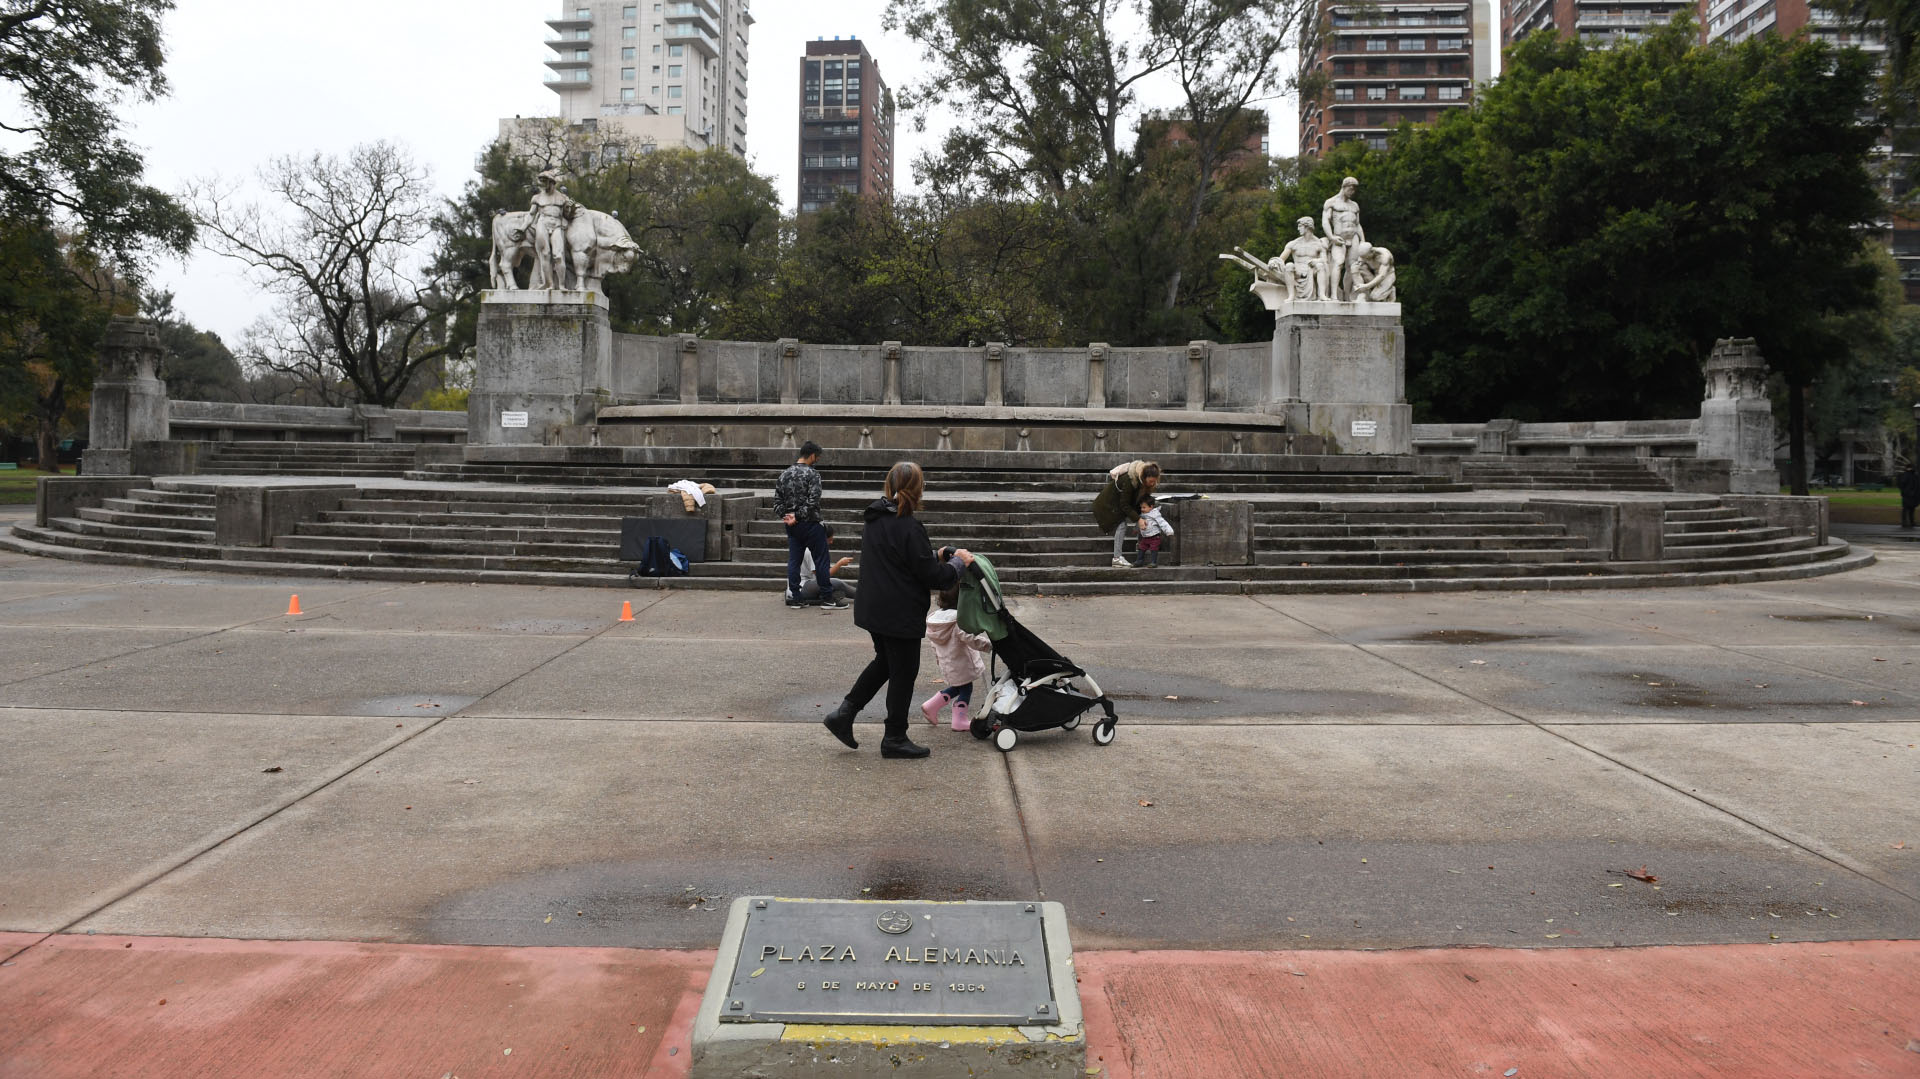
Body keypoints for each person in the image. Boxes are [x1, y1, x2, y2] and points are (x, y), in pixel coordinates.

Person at [821, 462, 974, 759]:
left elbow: (904, 559)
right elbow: (933, 577)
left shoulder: (877, 518)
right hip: (898, 613)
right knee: (903, 672)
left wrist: (937, 555)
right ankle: (894, 737)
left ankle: (844, 714)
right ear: (919, 489)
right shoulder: (909, 525)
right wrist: (959, 563)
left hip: (875, 609)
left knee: (886, 663)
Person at [775, 441, 841, 609]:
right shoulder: (813, 474)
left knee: (794, 560)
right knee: (821, 560)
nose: (817, 459)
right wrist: (797, 515)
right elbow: (813, 501)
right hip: (811, 524)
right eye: (817, 457)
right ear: (812, 455)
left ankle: (796, 598)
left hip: (791, 526)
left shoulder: (784, 474)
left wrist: (788, 516)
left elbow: (777, 503)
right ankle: (827, 598)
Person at [920, 581, 991, 732]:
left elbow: (935, 644)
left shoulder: (935, 620)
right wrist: (988, 645)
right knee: (966, 689)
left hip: (948, 663)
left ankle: (931, 706)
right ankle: (959, 720)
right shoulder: (958, 621)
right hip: (962, 663)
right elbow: (971, 639)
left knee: (958, 687)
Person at [1092, 460, 1161, 569]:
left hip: (1118, 504)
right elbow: (1124, 504)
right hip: (1107, 504)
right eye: (1151, 481)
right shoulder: (1130, 480)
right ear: (1144, 477)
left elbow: (1139, 503)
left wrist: (1140, 519)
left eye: (1155, 482)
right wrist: (1138, 519)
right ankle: (1117, 558)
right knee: (1122, 524)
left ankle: (1140, 552)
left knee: (1142, 519)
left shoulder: (1142, 482)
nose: (1153, 484)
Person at [527, 170, 578, 290]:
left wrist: (571, 208)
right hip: (542, 223)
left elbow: (568, 216)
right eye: (541, 181)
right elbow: (531, 214)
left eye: (544, 181)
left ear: (551, 182)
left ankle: (561, 285)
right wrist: (522, 227)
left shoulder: (562, 197)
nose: (542, 184)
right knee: (545, 254)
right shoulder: (537, 197)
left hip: (557, 225)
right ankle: (549, 284)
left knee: (558, 255)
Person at [786, 525, 857, 604]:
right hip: (802, 587)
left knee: (832, 586)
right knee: (837, 583)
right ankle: (862, 595)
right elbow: (823, 576)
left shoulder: (808, 546)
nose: (831, 542)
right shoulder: (810, 551)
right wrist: (839, 563)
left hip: (801, 587)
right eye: (829, 539)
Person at [1320, 175, 1364, 301]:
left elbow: (1358, 224)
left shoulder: (1355, 205)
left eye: (1354, 190)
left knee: (1352, 266)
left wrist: (1363, 240)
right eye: (1351, 189)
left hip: (1354, 237)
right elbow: (1325, 222)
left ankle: (1347, 295)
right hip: (1339, 237)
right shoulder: (1331, 202)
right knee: (1338, 264)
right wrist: (1332, 237)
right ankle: (1334, 295)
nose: (1352, 192)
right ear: (1344, 187)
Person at [1274, 217, 1331, 300]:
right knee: (1289, 265)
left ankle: (1322, 295)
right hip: (1298, 270)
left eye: (1300, 226)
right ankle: (1291, 296)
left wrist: (1317, 260)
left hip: (1311, 270)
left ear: (1307, 227)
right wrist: (1273, 262)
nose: (1298, 229)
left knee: (1320, 265)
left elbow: (1325, 260)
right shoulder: (1294, 243)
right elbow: (1281, 259)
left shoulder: (1318, 243)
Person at [1135, 494, 1174, 568]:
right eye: (1141, 507)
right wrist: (1136, 529)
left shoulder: (1155, 515)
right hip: (1145, 537)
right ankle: (1139, 561)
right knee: (1141, 548)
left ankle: (1153, 562)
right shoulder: (1142, 515)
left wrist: (1169, 531)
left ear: (1151, 507)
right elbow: (1139, 523)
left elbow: (1163, 523)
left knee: (1154, 549)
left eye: (1144, 507)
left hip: (1154, 537)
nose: (1142, 509)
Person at [1898, 462, 1920, 529]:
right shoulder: (1914, 475)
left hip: (1907, 495)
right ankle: (1911, 522)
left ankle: (1905, 522)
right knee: (1911, 509)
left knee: (1906, 509)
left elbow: (1901, 485)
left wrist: (1904, 492)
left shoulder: (1905, 475)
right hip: (1912, 495)